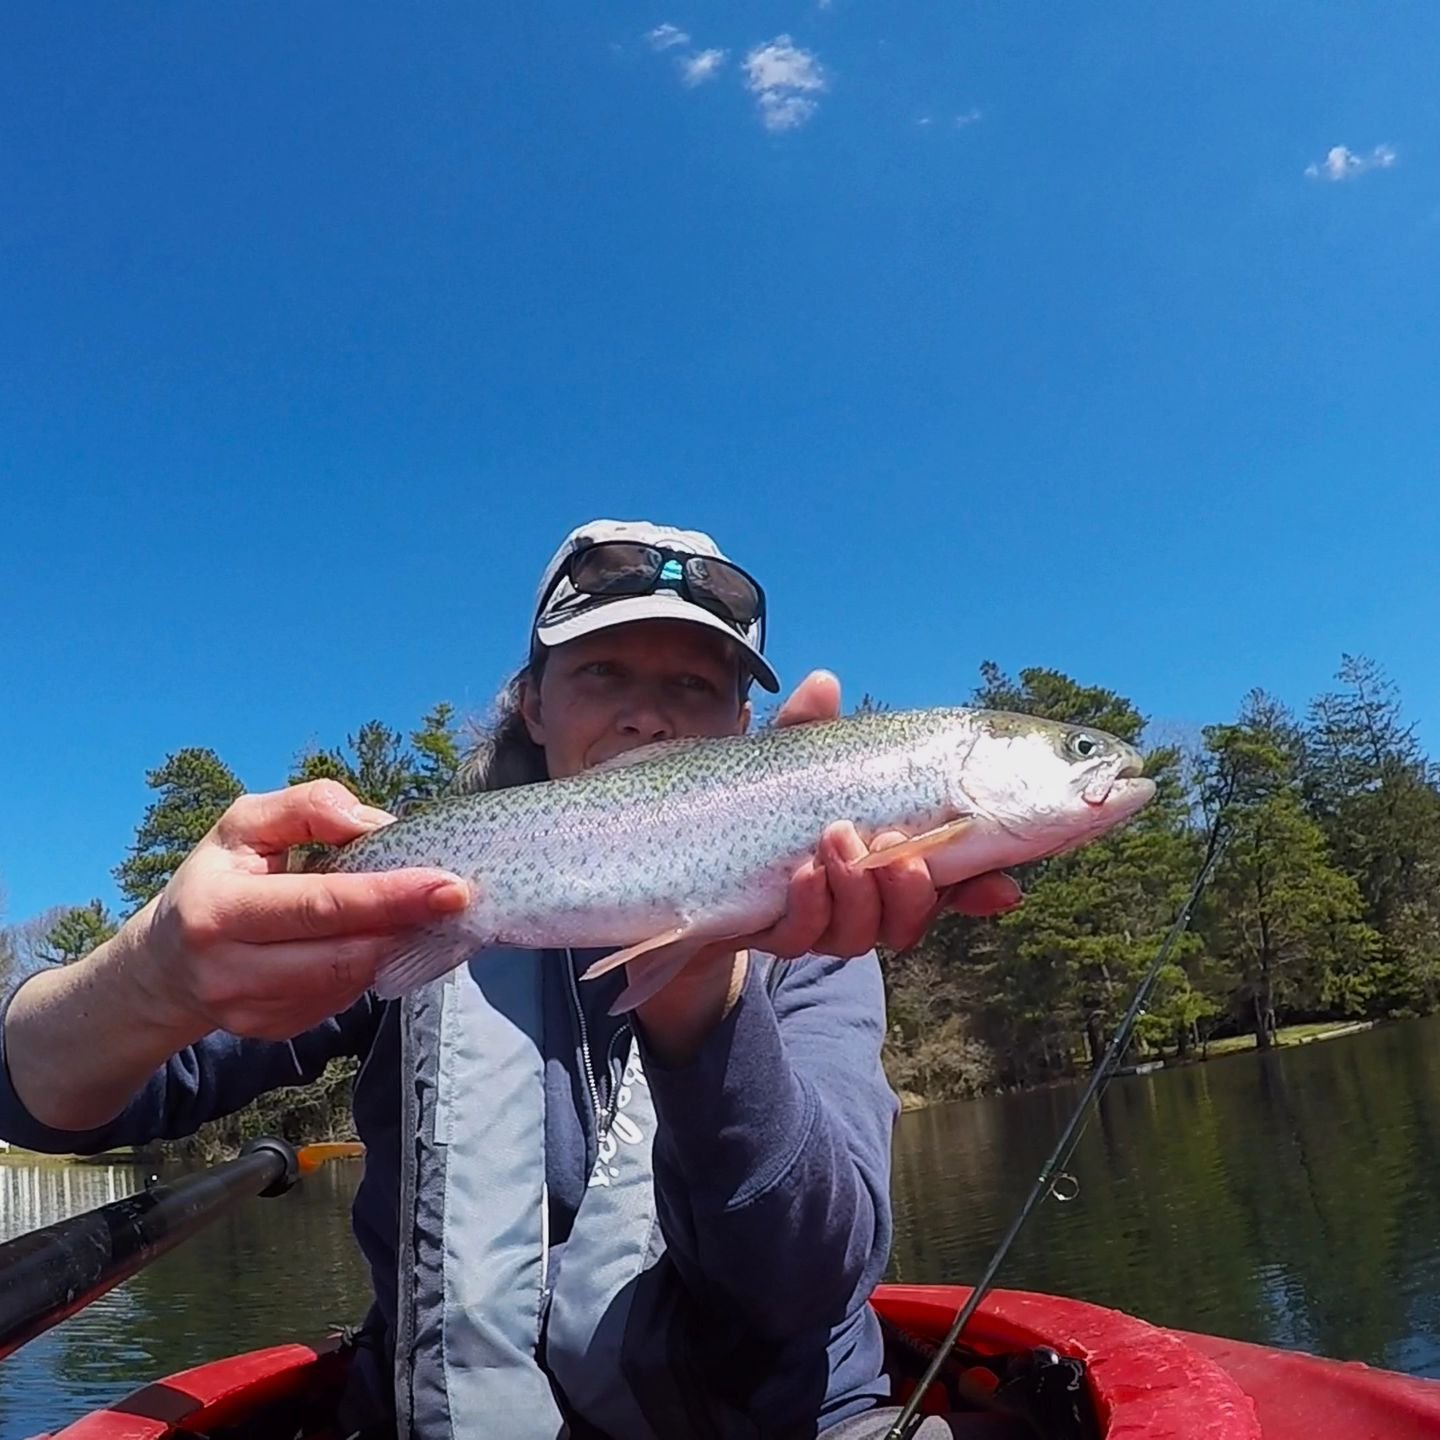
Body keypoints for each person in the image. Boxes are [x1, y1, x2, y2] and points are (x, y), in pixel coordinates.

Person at [0, 519, 1022, 1439]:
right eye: (604, 673)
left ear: (743, 729)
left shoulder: (813, 931)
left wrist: (699, 1003)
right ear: (532, 703)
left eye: (696, 686)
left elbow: (807, 1286)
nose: (648, 718)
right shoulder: (418, 892)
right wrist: (150, 981)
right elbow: (47, 1099)